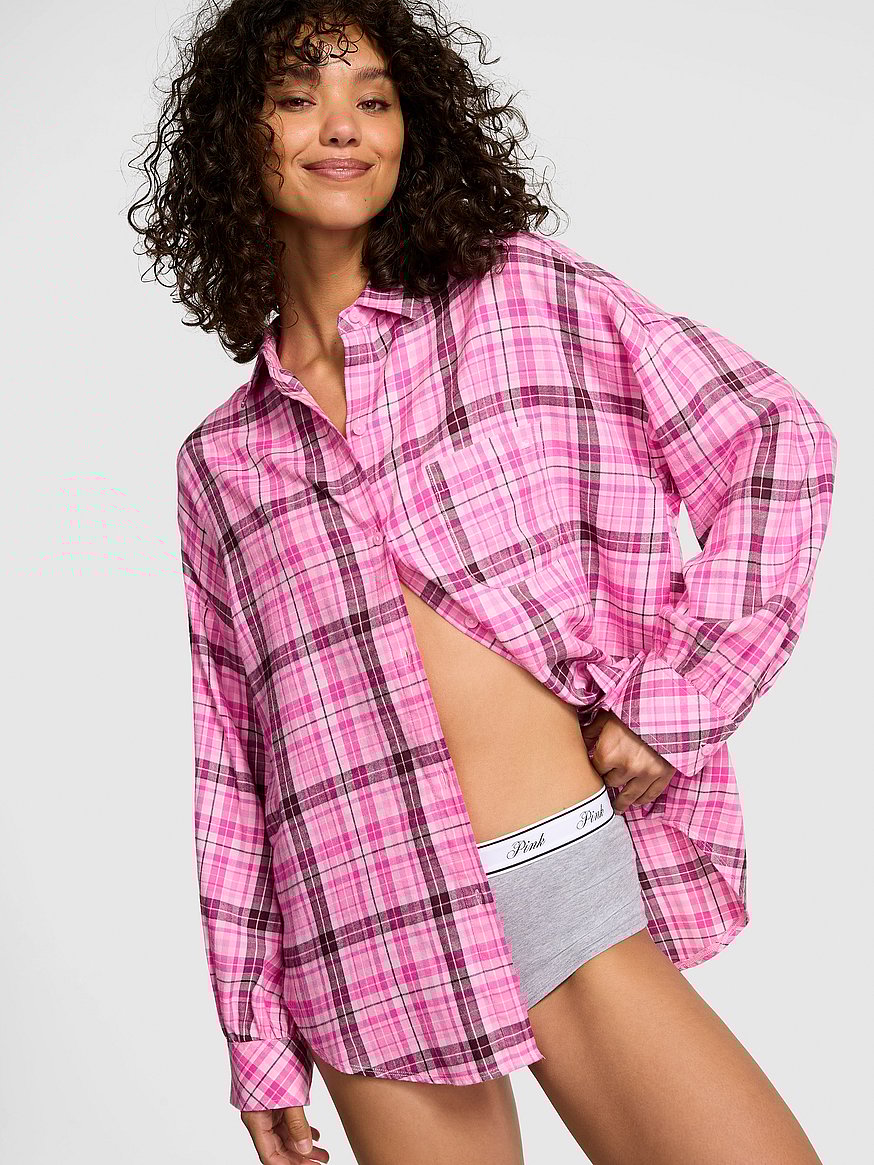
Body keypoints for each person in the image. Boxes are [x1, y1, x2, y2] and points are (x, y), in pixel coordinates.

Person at [128, 3, 836, 1163]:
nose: (342, 126)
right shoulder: (222, 460)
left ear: (413, 129)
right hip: (365, 936)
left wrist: (681, 697)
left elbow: (773, 437)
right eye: (299, 97)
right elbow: (233, 764)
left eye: (373, 99)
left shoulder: (520, 297)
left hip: (560, 868)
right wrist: (256, 1039)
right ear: (234, 139)